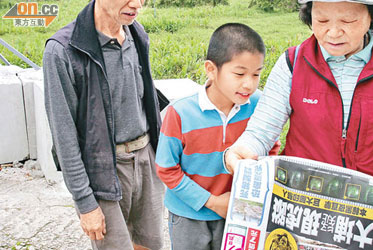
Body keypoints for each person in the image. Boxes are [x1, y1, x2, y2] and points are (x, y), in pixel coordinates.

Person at [224, 0, 373, 249]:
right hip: (299, 215)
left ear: (372, 17)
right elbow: (260, 132)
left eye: (347, 21)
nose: (333, 33)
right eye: (321, 20)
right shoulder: (293, 62)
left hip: (365, 218)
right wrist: (238, 153)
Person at [43, 0, 169, 249]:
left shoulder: (136, 33)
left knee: (150, 245)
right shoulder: (63, 51)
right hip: (104, 170)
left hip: (146, 160)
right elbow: (64, 136)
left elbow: (145, 101)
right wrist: (85, 203)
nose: (137, 4)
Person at [155, 23, 280, 250]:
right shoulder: (180, 113)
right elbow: (167, 169)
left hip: (238, 215)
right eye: (240, 74)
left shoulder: (258, 106)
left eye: (256, 74)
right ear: (211, 69)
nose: (249, 84)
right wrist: (213, 203)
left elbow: (270, 149)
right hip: (188, 216)